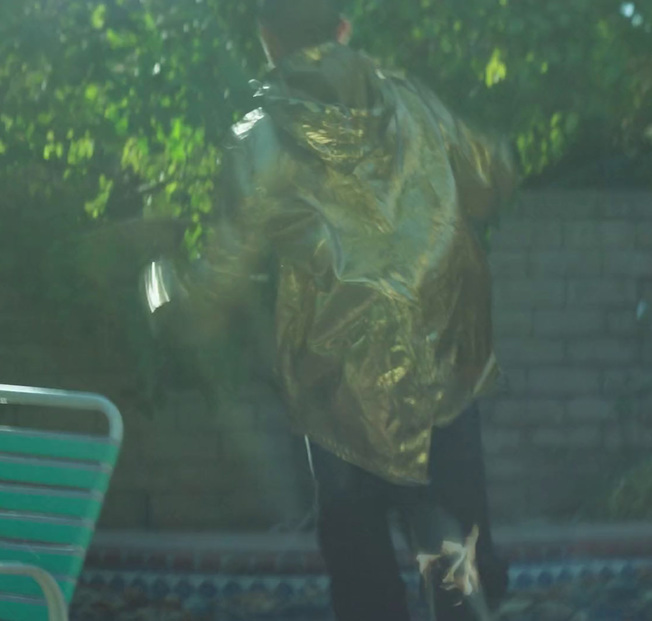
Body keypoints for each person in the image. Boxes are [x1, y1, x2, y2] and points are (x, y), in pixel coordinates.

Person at [142, 0, 516, 618]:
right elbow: (492, 172)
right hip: (437, 369)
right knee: (458, 562)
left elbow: (219, 284)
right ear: (344, 30)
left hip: (340, 392)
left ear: (267, 39)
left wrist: (159, 290)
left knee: (362, 577)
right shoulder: (412, 101)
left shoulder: (265, 130)